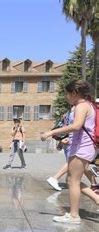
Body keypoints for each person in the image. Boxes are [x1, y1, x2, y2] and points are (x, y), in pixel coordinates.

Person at [41, 80, 99, 224]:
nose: (66, 96)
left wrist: (51, 132)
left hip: (83, 148)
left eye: (67, 93)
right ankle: (96, 199)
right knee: (72, 180)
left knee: (73, 181)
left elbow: (77, 126)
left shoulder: (81, 106)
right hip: (82, 147)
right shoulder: (88, 105)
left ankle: (74, 216)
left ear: (75, 93)